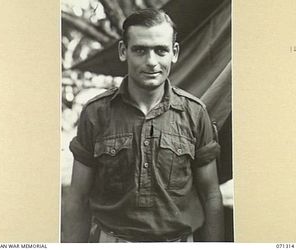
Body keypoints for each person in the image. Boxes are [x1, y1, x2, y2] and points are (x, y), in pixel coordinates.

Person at [63, 8, 224, 242]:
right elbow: (78, 197)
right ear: (123, 51)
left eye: (161, 50)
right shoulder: (96, 113)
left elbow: (211, 195)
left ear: (174, 52)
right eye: (140, 50)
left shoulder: (194, 113)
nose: (151, 62)